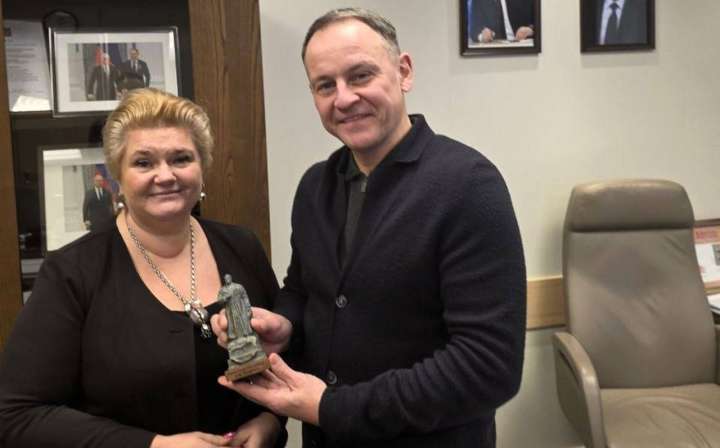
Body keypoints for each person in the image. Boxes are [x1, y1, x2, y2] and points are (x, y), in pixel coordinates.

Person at [212, 7, 526, 448]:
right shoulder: (315, 187)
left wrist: (332, 408)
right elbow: (304, 291)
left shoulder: (468, 185)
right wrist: (285, 326)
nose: (343, 98)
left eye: (360, 76)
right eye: (325, 85)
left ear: (404, 72)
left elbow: (488, 367)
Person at [0, 88, 285, 448]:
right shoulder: (72, 273)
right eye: (144, 163)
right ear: (117, 175)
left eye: (181, 158)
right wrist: (154, 445)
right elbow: (15, 415)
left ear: (203, 167)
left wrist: (269, 421)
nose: (165, 175)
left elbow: (285, 356)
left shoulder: (243, 247)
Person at [469, 0, 535, 44]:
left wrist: (530, 30)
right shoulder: (479, 1)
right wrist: (482, 36)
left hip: (523, 46)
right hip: (496, 50)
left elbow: (538, 21)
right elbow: (474, 30)